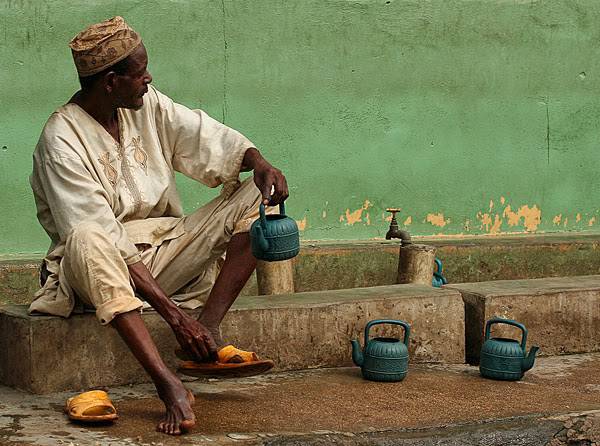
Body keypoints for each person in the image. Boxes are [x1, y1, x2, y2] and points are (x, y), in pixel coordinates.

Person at [28, 16, 289, 435]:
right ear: (110, 82)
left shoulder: (145, 103)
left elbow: (204, 135)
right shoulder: (60, 140)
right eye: (139, 72)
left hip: (165, 248)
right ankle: (167, 382)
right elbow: (103, 236)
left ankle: (207, 331)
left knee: (261, 197)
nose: (148, 78)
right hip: (93, 270)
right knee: (89, 238)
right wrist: (172, 316)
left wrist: (258, 161)